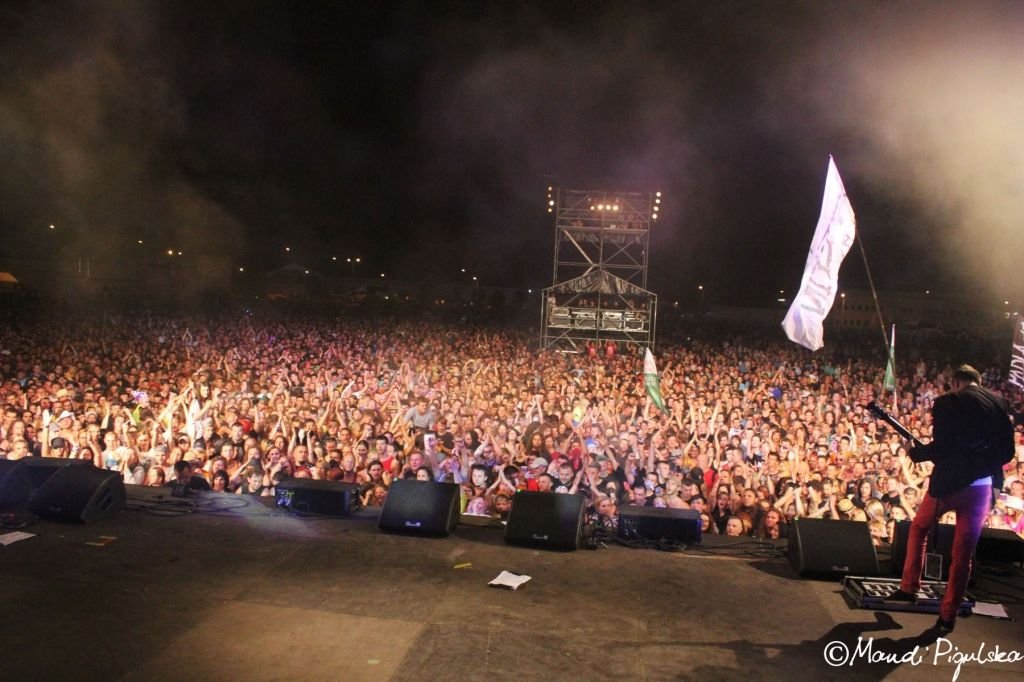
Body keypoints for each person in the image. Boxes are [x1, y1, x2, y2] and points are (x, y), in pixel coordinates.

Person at [890, 365, 1014, 632]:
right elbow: (1007, 452)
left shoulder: (948, 402)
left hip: (948, 485)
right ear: (978, 382)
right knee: (963, 553)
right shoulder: (999, 404)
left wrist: (914, 452)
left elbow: (942, 447)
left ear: (956, 382)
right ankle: (948, 617)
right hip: (981, 487)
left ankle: (909, 587)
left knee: (919, 528)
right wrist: (981, 461)